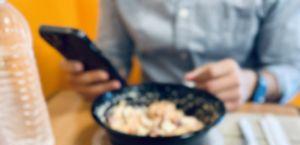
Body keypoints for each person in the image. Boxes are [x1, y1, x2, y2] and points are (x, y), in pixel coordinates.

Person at [62, 1, 300, 111]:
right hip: (147, 113)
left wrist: (253, 83)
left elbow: (290, 69)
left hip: (237, 114)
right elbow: (114, 58)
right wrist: (97, 78)